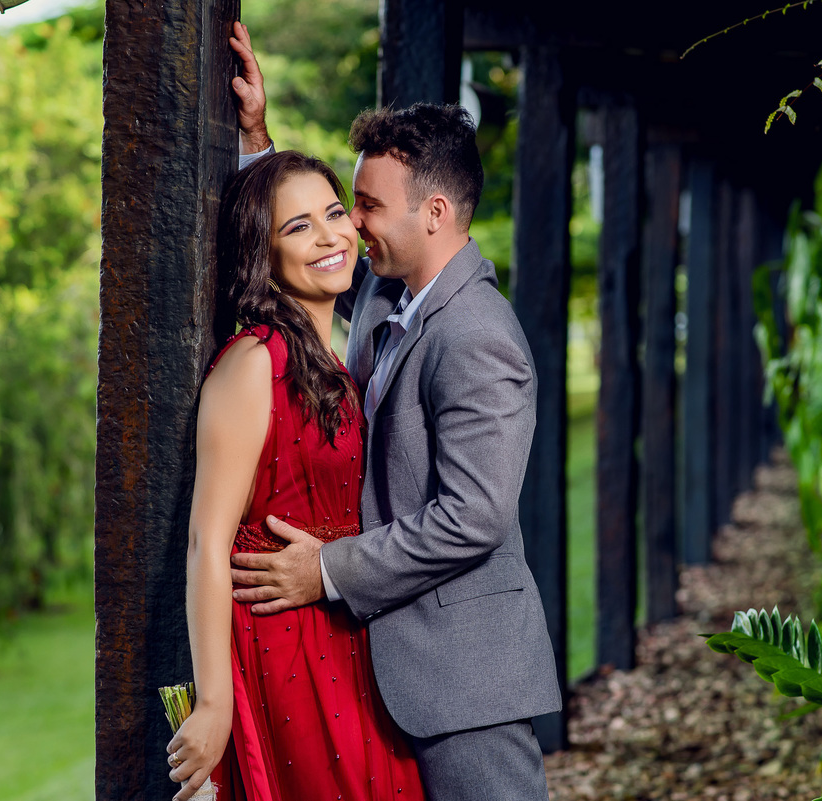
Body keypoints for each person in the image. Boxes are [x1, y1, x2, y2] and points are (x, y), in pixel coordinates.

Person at [227, 37, 562, 801]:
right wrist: (256, 142)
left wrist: (324, 569)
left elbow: (473, 516)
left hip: (465, 681)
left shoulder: (480, 336)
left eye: (367, 207)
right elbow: (313, 260)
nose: (352, 227)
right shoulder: (390, 293)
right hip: (387, 668)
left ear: (436, 212)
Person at [163, 148, 426, 801]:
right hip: (281, 647)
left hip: (347, 635)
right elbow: (207, 542)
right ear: (264, 254)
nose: (330, 234)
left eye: (335, 212)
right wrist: (215, 703)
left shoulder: (334, 363)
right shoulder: (253, 363)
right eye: (298, 226)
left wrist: (259, 135)